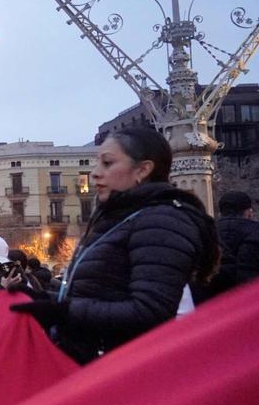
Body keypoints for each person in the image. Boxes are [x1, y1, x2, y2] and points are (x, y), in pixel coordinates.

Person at [11, 127, 219, 365]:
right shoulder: (117, 217)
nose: (95, 174)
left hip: (126, 369)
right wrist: (40, 300)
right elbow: (98, 292)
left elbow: (150, 311)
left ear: (143, 169)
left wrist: (63, 312)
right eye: (97, 163)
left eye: (107, 163)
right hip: (93, 361)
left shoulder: (161, 221)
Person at [208, 189, 259, 295]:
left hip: (212, 303)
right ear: (249, 213)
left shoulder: (207, 233)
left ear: (221, 213)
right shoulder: (255, 231)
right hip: (250, 301)